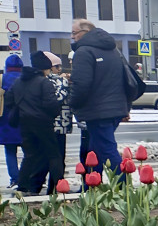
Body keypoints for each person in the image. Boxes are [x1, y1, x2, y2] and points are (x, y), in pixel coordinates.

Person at [67, 19, 128, 179]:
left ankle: (124, 189)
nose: (72, 37)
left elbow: (81, 84)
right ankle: (91, 186)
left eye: (74, 33)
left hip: (97, 110)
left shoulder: (84, 52)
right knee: (94, 151)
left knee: (107, 150)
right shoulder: (114, 51)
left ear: (85, 32)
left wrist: (72, 104)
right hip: (114, 108)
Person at [10, 52, 61, 195]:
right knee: (53, 155)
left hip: (24, 123)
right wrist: (54, 112)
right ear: (45, 68)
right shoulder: (44, 82)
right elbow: (51, 105)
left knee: (29, 155)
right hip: (43, 123)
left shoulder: (18, 82)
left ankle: (22, 186)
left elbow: (9, 101)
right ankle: (58, 186)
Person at [44, 52, 71, 184]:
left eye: (60, 66)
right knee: (58, 156)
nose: (59, 69)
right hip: (60, 124)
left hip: (51, 124)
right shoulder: (60, 81)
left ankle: (53, 184)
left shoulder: (44, 80)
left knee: (51, 156)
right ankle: (56, 184)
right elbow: (59, 98)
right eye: (56, 66)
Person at [0, 55, 23, 187]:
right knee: (29, 151)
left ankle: (15, 178)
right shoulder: (25, 79)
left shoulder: (2, 79)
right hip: (24, 119)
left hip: (6, 121)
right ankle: (27, 176)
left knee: (10, 151)